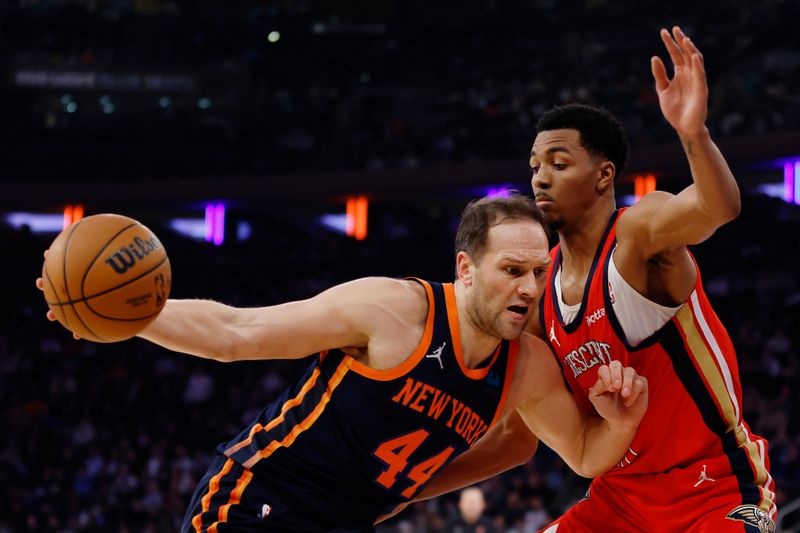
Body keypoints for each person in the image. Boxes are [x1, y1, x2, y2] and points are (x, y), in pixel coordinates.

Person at [37, 194, 648, 532]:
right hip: (261, 504)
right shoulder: (393, 309)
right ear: (465, 269)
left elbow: (578, 455)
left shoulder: (528, 367)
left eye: (539, 273)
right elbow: (235, 330)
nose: (528, 288)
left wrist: (619, 422)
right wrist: (131, 316)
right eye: (511, 271)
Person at [414, 26, 777, 533]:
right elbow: (519, 439)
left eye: (559, 164)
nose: (540, 177)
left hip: (713, 490)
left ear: (604, 176)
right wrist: (403, 488)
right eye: (536, 165)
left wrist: (693, 133)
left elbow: (720, 206)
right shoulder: (537, 296)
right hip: (619, 502)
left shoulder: (638, 235)